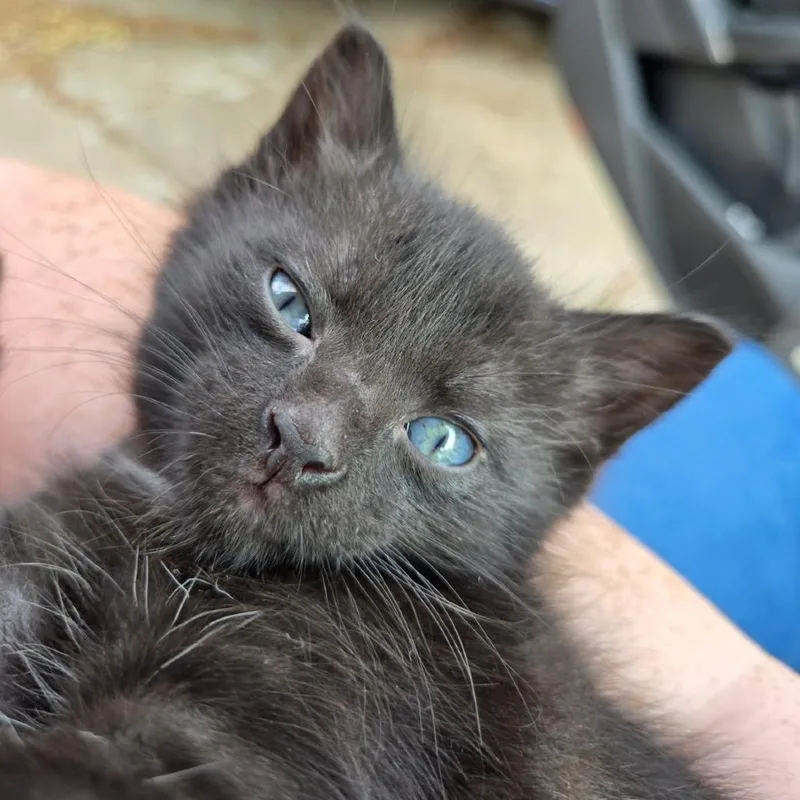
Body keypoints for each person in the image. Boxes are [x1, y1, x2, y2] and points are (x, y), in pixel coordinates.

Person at [0, 159, 798, 797]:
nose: (309, 430)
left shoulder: (395, 650)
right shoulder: (106, 489)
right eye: (293, 310)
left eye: (442, 439)